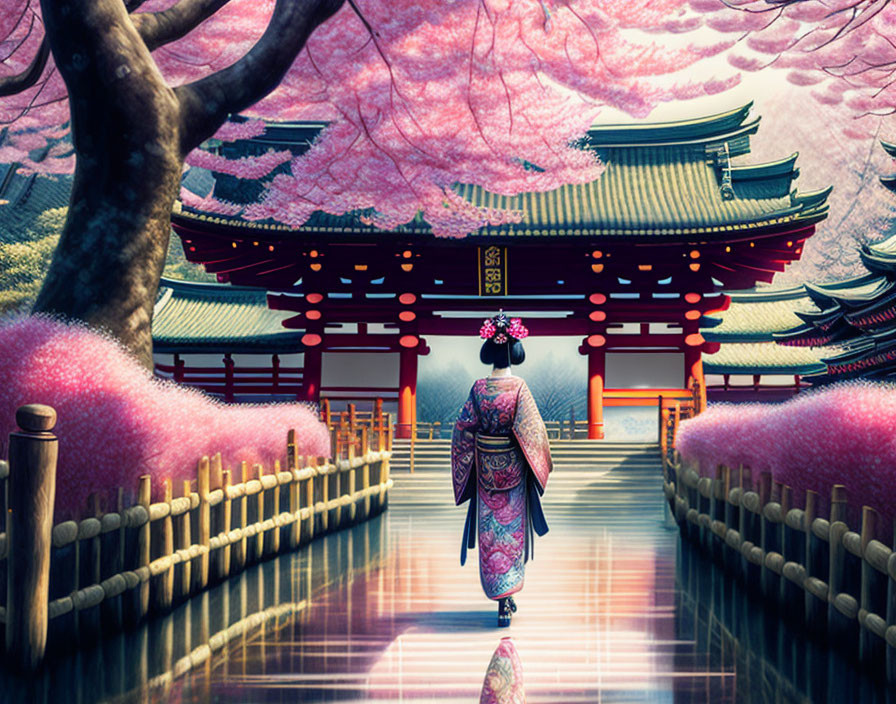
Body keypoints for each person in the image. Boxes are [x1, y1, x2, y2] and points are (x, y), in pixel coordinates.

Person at [451, 312, 552, 627]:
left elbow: (463, 430)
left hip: (485, 474)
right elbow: (533, 432)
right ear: (515, 348)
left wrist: (467, 464)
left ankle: (501, 597)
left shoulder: (479, 388)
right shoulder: (519, 387)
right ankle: (507, 600)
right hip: (513, 473)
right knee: (511, 534)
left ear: (489, 349)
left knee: (491, 532)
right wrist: (537, 460)